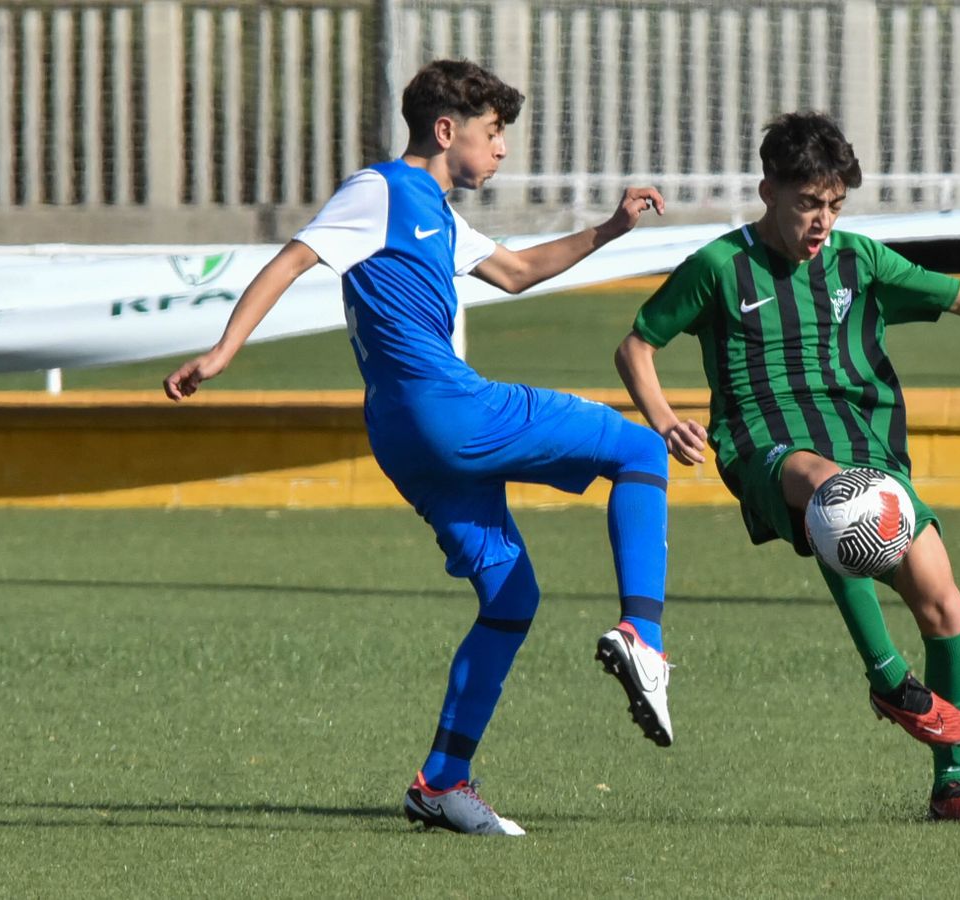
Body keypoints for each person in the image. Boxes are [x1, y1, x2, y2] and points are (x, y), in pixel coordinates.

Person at [164, 60, 675, 837]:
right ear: (446, 131)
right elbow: (293, 258)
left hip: (405, 435)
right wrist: (225, 351)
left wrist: (610, 230)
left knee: (512, 597)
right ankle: (645, 633)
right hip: (448, 411)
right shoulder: (379, 191)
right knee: (641, 452)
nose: (501, 150)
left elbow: (515, 271)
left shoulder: (439, 212)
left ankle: (442, 782)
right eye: (493, 133)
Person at [615, 112, 960, 826]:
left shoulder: (862, 261)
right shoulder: (718, 267)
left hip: (868, 446)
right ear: (767, 190)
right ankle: (888, 677)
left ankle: (955, 785)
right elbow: (637, 346)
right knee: (830, 490)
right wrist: (666, 420)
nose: (822, 221)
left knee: (945, 607)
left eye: (833, 205)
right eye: (807, 204)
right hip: (764, 443)